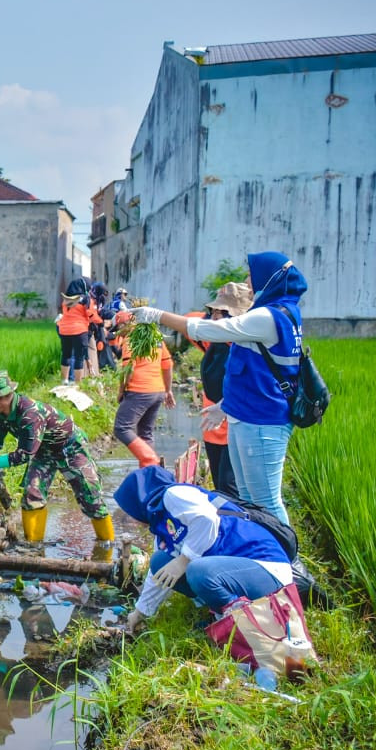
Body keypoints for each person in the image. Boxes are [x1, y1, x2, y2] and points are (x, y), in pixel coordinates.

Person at [133, 251, 307, 523]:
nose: (248, 281)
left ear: (269, 277)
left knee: (265, 501)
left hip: (262, 420)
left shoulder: (269, 317)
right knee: (248, 498)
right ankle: (255, 552)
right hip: (248, 415)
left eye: (252, 275)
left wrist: (157, 315)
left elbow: (209, 330)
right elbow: (255, 374)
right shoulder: (277, 313)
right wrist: (225, 406)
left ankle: (285, 558)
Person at [114, 466, 293, 634]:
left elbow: (207, 519)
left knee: (196, 570)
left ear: (138, 501)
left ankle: (239, 624)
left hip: (266, 569)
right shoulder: (160, 522)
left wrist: (183, 560)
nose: (132, 520)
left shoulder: (173, 495)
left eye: (129, 512)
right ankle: (220, 612)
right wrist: (140, 613)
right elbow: (158, 576)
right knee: (160, 562)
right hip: (236, 573)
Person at [0, 371, 114, 551]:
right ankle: (33, 546)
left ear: (3, 398)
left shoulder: (30, 414)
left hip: (69, 447)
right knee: (32, 494)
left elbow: (24, 455)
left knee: (90, 495)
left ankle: (107, 545)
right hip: (43, 451)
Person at [193, 282, 253, 499]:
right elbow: (190, 322)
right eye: (215, 312)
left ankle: (239, 530)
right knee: (220, 488)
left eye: (223, 313)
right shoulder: (213, 341)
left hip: (236, 429)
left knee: (231, 490)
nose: (217, 318)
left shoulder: (245, 345)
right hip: (212, 427)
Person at [114, 318, 175, 467]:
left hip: (139, 390)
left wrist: (121, 390)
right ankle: (149, 470)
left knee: (122, 428)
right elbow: (167, 365)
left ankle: (150, 460)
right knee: (145, 433)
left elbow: (129, 368)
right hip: (157, 391)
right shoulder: (156, 338)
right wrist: (168, 390)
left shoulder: (132, 338)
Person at [54, 279, 91, 384]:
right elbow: (90, 313)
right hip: (79, 330)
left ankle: (64, 380)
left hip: (65, 330)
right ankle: (77, 383)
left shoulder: (65, 300)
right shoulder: (85, 299)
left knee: (66, 355)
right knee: (79, 357)